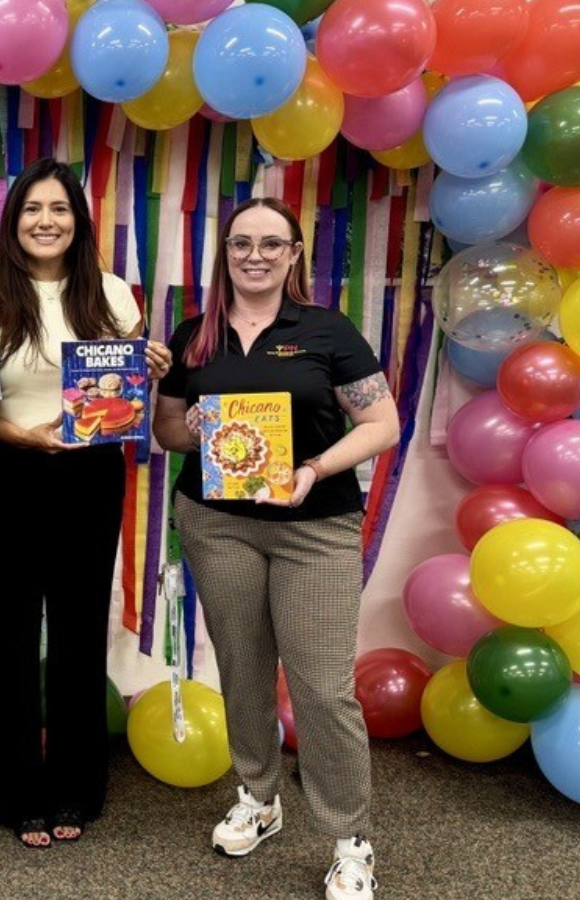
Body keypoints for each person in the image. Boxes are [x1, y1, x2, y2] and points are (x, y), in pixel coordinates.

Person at [152, 197, 400, 900]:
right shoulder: (196, 336)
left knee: (322, 687)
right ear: (224, 253)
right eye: (240, 244)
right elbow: (169, 431)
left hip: (314, 527)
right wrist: (195, 429)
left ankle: (350, 838)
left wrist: (315, 469)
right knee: (243, 668)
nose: (253, 256)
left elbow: (382, 421)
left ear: (293, 255)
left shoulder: (327, 330)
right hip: (217, 523)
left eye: (270, 244)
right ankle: (259, 796)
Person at [0, 158, 170, 848]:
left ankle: (76, 785)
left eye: (59, 209)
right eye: (31, 210)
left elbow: (121, 401)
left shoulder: (112, 294)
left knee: (79, 631)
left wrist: (147, 364)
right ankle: (5, 789)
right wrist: (21, 436)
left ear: (78, 222)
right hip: (5, 473)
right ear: (12, 224)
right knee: (1, 635)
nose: (45, 221)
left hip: (89, 477)